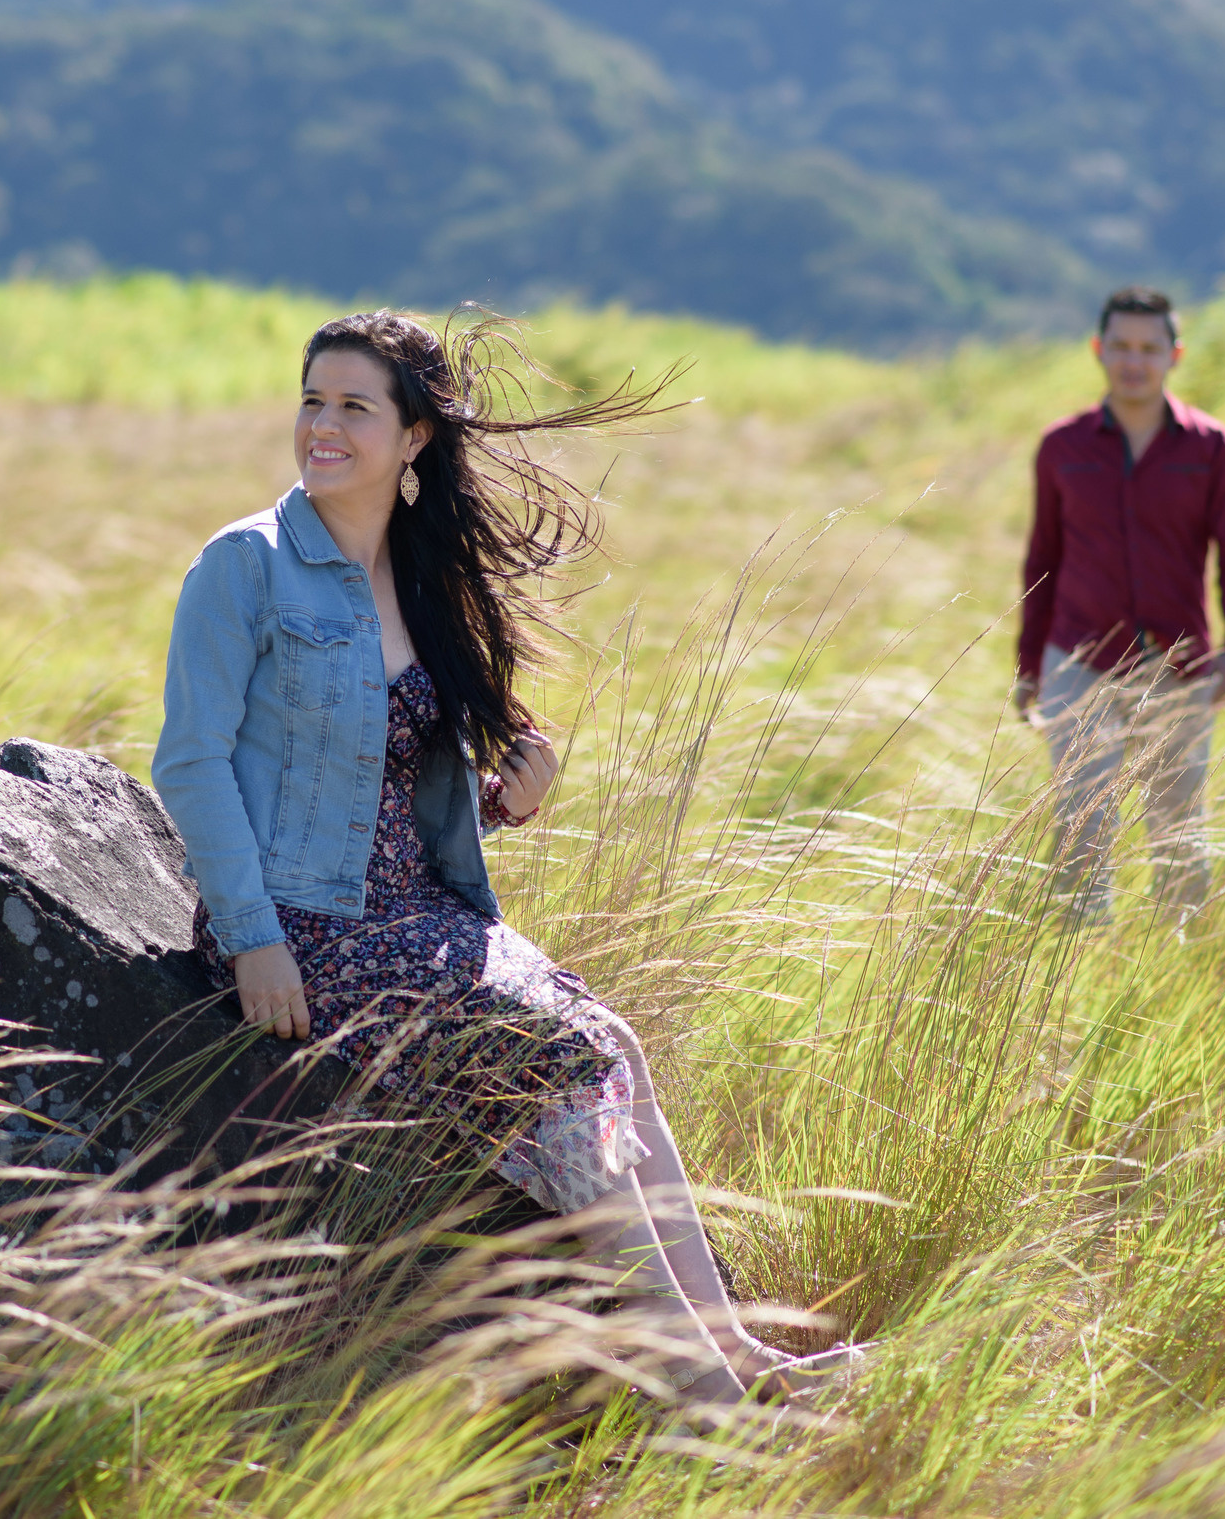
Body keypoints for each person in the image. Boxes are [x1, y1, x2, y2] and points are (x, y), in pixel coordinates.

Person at [153, 311, 838, 1407]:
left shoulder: (420, 579)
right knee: (558, 1062)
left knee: (609, 1040)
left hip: (423, 912)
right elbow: (189, 763)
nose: (321, 427)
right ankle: (699, 1398)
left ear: (414, 436)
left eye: (353, 407)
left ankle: (742, 1357)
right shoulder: (246, 564)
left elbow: (383, 776)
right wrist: (253, 940)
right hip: (312, 925)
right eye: (311, 399)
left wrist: (504, 791)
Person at [1014, 286, 1225, 922]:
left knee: (1177, 824)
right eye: (1121, 347)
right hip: (1078, 659)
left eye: (1149, 348)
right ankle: (1072, 970)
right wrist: (1028, 668)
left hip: (1178, 668)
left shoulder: (1211, 449)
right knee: (1081, 822)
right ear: (1099, 351)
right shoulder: (1062, 448)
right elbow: (1042, 558)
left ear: (1174, 355)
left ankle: (1171, 964)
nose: (1135, 361)